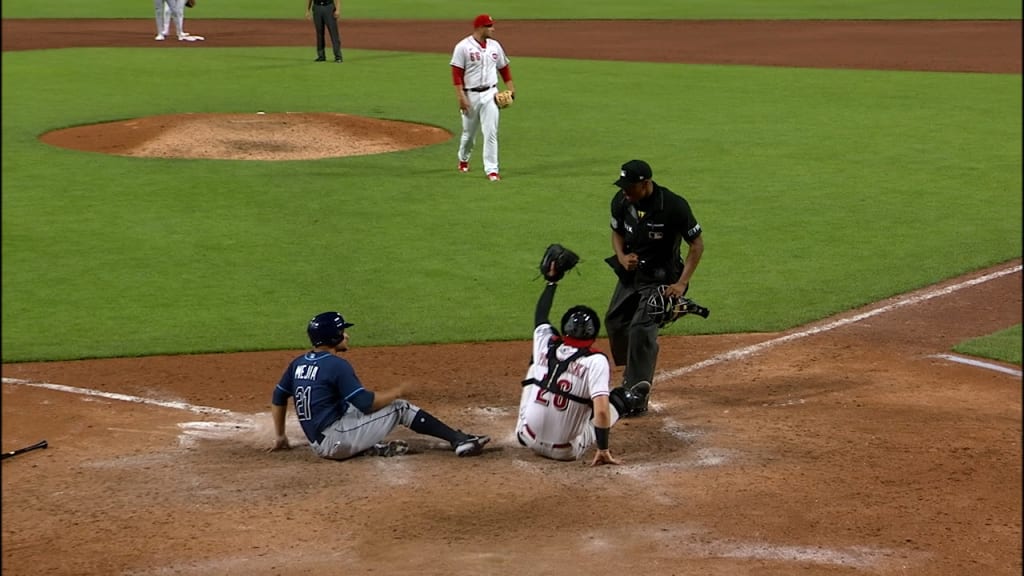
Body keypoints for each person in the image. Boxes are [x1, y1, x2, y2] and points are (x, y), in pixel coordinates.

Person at [268, 311, 491, 459]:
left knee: (348, 404)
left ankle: (366, 446)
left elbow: (278, 397)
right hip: (335, 444)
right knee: (400, 407)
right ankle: (459, 441)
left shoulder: (298, 363)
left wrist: (280, 437)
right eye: (342, 331)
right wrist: (397, 392)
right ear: (333, 337)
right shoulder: (336, 365)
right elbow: (366, 404)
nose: (346, 335)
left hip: (320, 440)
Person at [604, 159, 705, 417]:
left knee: (640, 329)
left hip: (662, 279)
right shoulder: (621, 201)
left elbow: (697, 245)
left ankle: (636, 392)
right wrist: (621, 256)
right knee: (615, 321)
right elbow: (616, 232)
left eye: (630, 187)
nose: (625, 191)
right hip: (632, 275)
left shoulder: (672, 206)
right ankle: (636, 363)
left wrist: (681, 283)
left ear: (645, 184)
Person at [516, 262, 638, 466]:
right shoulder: (596, 360)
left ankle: (526, 430)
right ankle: (622, 407)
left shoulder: (545, 343)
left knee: (535, 366)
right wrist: (603, 449)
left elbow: (541, 317)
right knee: (619, 399)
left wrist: (551, 282)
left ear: (564, 328)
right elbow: (600, 412)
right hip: (565, 451)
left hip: (526, 436)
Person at [449, 14, 515, 181]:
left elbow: (504, 67)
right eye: (489, 26)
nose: (492, 29)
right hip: (470, 95)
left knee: (491, 132)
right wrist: (461, 97)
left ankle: (492, 170)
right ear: (480, 28)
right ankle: (463, 159)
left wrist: (511, 88)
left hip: (490, 94)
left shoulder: (495, 46)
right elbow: (457, 74)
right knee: (469, 135)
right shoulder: (463, 47)